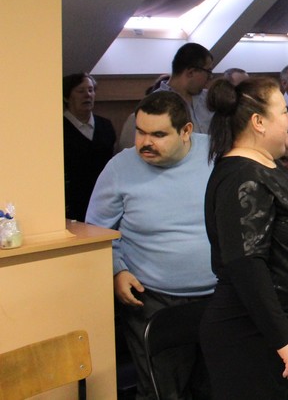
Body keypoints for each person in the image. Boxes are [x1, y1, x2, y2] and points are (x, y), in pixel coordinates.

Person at [201, 77, 288, 400]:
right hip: (259, 339)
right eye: (283, 112)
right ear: (258, 122)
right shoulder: (241, 176)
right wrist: (283, 337)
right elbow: (245, 263)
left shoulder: (267, 167)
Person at [85, 91, 214, 400]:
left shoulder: (215, 153)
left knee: (214, 388)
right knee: (162, 393)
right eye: (140, 132)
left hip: (218, 295)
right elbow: (95, 231)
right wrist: (117, 271)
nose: (145, 142)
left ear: (186, 131)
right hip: (153, 299)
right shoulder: (119, 168)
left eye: (158, 135)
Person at [117, 43, 215, 150]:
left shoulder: (210, 98)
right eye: (208, 71)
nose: (210, 77)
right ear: (191, 72)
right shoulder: (153, 104)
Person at [63, 72, 115, 221]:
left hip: (105, 198)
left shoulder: (105, 125)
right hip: (72, 203)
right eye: (80, 91)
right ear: (66, 97)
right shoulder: (58, 128)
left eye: (91, 90)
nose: (87, 95)